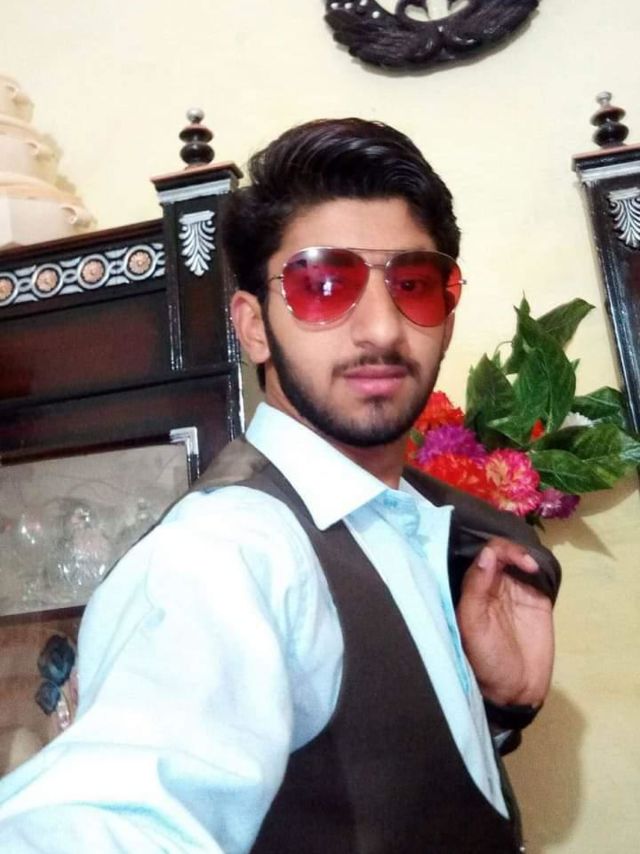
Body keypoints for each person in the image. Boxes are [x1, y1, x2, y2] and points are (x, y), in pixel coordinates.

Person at [0, 118, 560, 853]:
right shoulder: (230, 551)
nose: (382, 330)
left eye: (414, 286)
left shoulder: (411, 520)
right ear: (254, 326)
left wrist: (497, 709)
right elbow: (107, 817)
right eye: (322, 285)